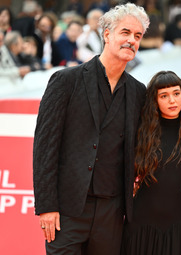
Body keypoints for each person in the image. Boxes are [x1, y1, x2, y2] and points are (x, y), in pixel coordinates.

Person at [33, 3, 150, 255]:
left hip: (112, 212)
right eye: (125, 32)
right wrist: (46, 206)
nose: (132, 40)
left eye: (137, 36)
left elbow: (150, 144)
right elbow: (44, 147)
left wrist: (179, 179)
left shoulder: (139, 92)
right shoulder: (66, 81)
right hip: (67, 210)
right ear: (107, 34)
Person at [121, 71, 181, 255]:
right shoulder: (141, 131)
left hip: (177, 225)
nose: (172, 100)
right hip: (141, 224)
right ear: (154, 100)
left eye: (176, 94)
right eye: (164, 95)